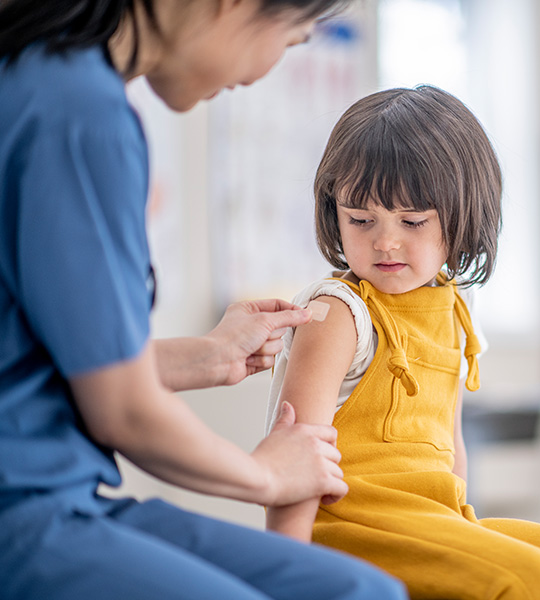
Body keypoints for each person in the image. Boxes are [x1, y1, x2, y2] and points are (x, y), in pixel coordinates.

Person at [0, 1, 408, 598]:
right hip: (27, 507)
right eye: (291, 40)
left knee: (362, 591)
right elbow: (123, 409)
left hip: (57, 495)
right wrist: (267, 475)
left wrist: (206, 356)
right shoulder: (80, 115)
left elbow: (46, 357)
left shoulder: (44, 76)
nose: (267, 70)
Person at [264, 85, 540, 599]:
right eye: (361, 219)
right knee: (535, 581)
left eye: (412, 221)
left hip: (432, 520)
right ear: (334, 212)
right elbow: (294, 451)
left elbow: (450, 445)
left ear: (463, 216)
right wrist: (288, 569)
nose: (385, 241)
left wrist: (465, 530)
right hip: (350, 529)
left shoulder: (454, 306)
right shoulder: (338, 312)